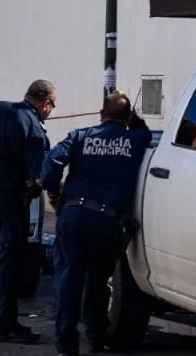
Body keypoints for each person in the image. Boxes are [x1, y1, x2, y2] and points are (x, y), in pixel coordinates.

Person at [42, 91, 151, 356]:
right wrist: (132, 118)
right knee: (98, 282)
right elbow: (145, 132)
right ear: (126, 119)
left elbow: (51, 163)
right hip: (106, 222)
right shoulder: (135, 139)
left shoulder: (79, 136)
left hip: (73, 217)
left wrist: (54, 194)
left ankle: (66, 346)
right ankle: (96, 338)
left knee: (69, 282)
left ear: (101, 115)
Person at [0, 79, 56, 345]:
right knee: (8, 263)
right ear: (46, 104)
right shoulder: (34, 131)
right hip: (10, 203)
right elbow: (39, 176)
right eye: (52, 106)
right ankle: (5, 325)